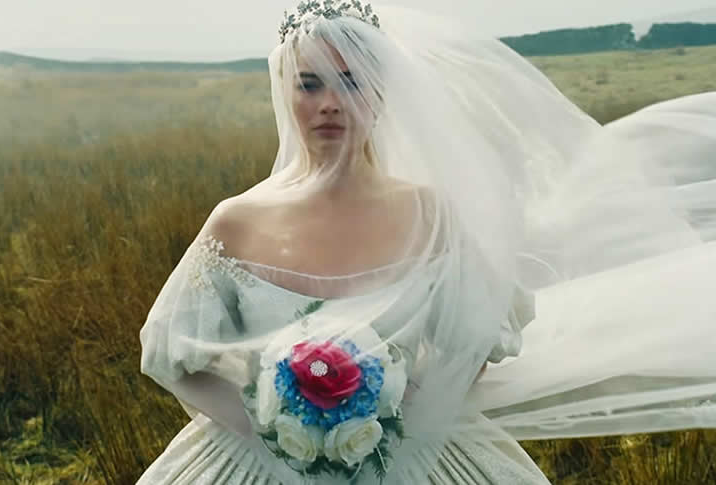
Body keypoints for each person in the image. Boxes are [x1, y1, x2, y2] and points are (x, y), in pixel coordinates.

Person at [137, 1, 716, 483]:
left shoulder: (431, 216)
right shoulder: (236, 221)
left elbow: (475, 342)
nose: (330, 103)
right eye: (310, 84)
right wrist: (271, 429)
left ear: (382, 91)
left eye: (351, 81)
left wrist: (406, 413)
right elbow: (169, 357)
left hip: (415, 458)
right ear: (285, 93)